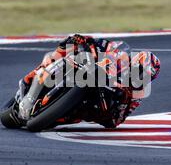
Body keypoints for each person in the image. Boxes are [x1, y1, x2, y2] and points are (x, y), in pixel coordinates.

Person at [17, 34, 160, 128]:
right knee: (63, 54)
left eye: (146, 78)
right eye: (141, 73)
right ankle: (31, 82)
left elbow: (116, 121)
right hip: (89, 69)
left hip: (94, 102)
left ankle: (52, 114)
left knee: (81, 115)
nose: (141, 78)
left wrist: (119, 96)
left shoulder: (137, 94)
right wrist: (83, 41)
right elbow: (97, 43)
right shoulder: (119, 56)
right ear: (133, 63)